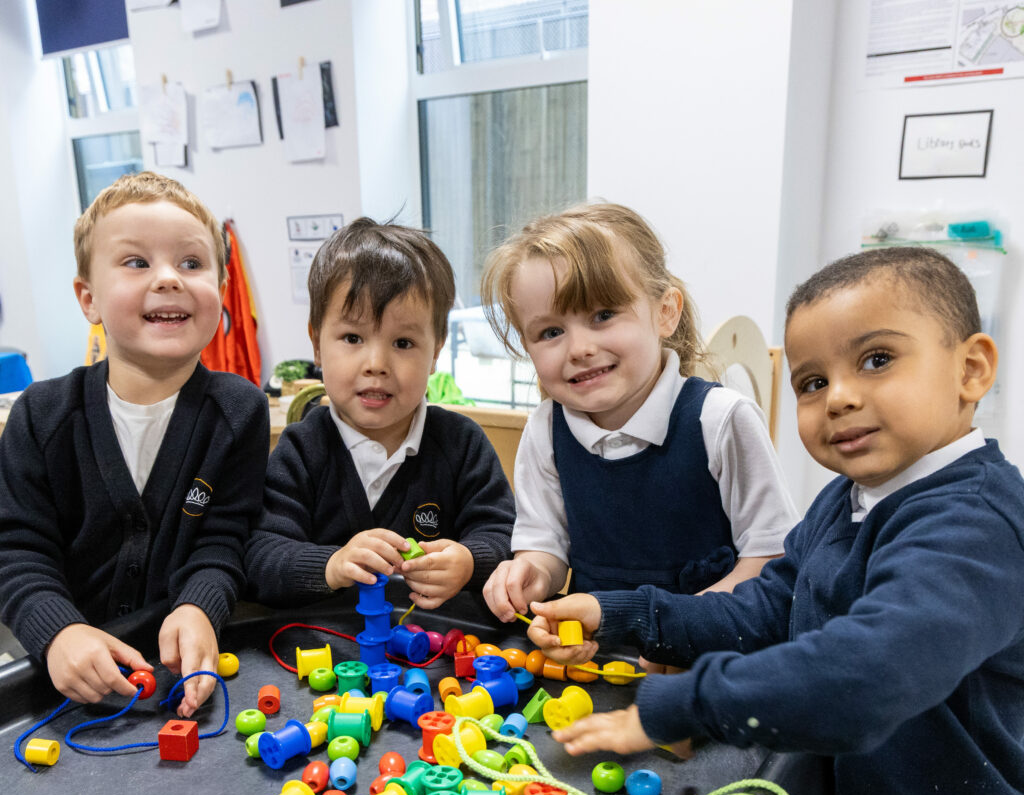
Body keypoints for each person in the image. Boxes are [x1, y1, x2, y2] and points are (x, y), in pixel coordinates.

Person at [528, 246, 1024, 795]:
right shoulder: (847, 500)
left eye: (877, 360)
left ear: (971, 369)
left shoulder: (974, 525)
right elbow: (765, 609)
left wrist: (680, 705)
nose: (841, 399)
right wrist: (619, 612)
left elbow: (869, 674)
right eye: (813, 382)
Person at [0, 172, 269, 717]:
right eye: (136, 262)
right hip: (59, 684)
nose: (168, 278)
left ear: (220, 291)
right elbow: (17, 553)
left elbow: (223, 541)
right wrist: (59, 633)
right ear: (88, 299)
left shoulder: (240, 410)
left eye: (191, 263)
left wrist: (199, 606)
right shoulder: (41, 415)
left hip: (176, 678)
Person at [479, 202, 796, 624]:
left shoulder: (721, 419)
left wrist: (673, 626)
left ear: (665, 312)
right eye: (551, 332)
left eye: (603, 315)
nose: (579, 349)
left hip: (708, 653)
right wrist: (529, 574)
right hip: (595, 657)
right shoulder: (544, 429)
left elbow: (771, 559)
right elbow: (545, 547)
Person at [245, 218, 514, 610]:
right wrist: (332, 565)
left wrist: (471, 562)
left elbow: (505, 536)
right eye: (352, 338)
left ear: (436, 352)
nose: (376, 363)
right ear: (317, 344)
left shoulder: (462, 443)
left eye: (403, 342)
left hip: (435, 655)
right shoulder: (302, 449)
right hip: (325, 654)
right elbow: (260, 557)